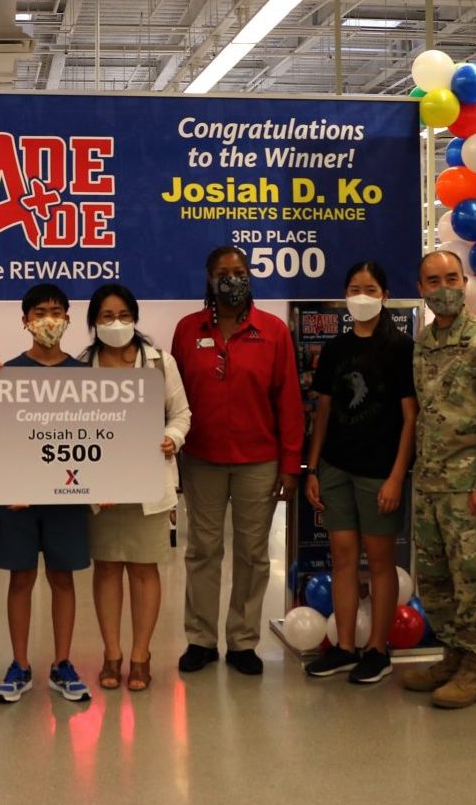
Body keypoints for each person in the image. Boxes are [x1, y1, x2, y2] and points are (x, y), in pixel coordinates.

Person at [171, 246, 303, 677]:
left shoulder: (273, 331)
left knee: (252, 553)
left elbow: (288, 401)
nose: (232, 278)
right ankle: (201, 639)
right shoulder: (187, 330)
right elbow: (175, 398)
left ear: (251, 276)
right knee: (202, 551)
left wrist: (290, 463)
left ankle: (244, 641)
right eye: (223, 272)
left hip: (259, 461)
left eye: (239, 271)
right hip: (201, 459)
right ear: (209, 279)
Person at [399, 250, 476, 709]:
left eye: (452, 278)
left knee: (473, 581)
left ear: (466, 281)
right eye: (433, 280)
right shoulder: (424, 344)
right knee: (436, 581)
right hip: (431, 487)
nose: (444, 287)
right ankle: (452, 656)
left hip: (470, 489)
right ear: (421, 289)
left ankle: (475, 671)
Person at [302, 261, 415, 684]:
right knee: (343, 558)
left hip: (379, 472)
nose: (362, 296)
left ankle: (377, 650)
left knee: (381, 563)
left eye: (370, 288)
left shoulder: (402, 348)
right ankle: (346, 646)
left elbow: (410, 417)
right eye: (354, 288)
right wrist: (311, 468)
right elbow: (323, 412)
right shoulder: (334, 349)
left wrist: (396, 476)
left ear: (384, 295)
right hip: (335, 467)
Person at [79, 283, 190, 693]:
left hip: (148, 484)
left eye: (123, 315)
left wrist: (172, 438)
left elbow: (181, 413)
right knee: (106, 567)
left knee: (144, 569)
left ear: (135, 318)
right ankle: (112, 653)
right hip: (102, 488)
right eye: (106, 317)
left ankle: (141, 654)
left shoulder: (160, 363)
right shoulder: (81, 367)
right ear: (94, 323)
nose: (116, 323)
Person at [0, 284, 92, 705]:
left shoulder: (85, 376)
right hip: (19, 500)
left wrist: (100, 481)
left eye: (57, 311)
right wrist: (4, 483)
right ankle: (20, 664)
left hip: (68, 497)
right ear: (26, 321)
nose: (49, 319)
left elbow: (94, 438)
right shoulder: (6, 374)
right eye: (41, 312)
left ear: (68, 318)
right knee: (21, 578)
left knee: (63, 578)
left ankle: (62, 664)